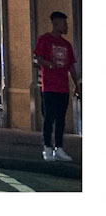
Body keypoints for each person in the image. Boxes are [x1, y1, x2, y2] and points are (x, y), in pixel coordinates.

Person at [34, 11, 79, 162]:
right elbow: (38, 58)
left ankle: (59, 147)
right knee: (49, 117)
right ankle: (47, 147)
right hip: (49, 86)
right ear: (56, 24)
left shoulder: (67, 45)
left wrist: (76, 84)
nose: (66, 26)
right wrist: (48, 64)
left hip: (63, 87)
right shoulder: (44, 40)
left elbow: (71, 66)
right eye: (64, 23)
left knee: (61, 118)